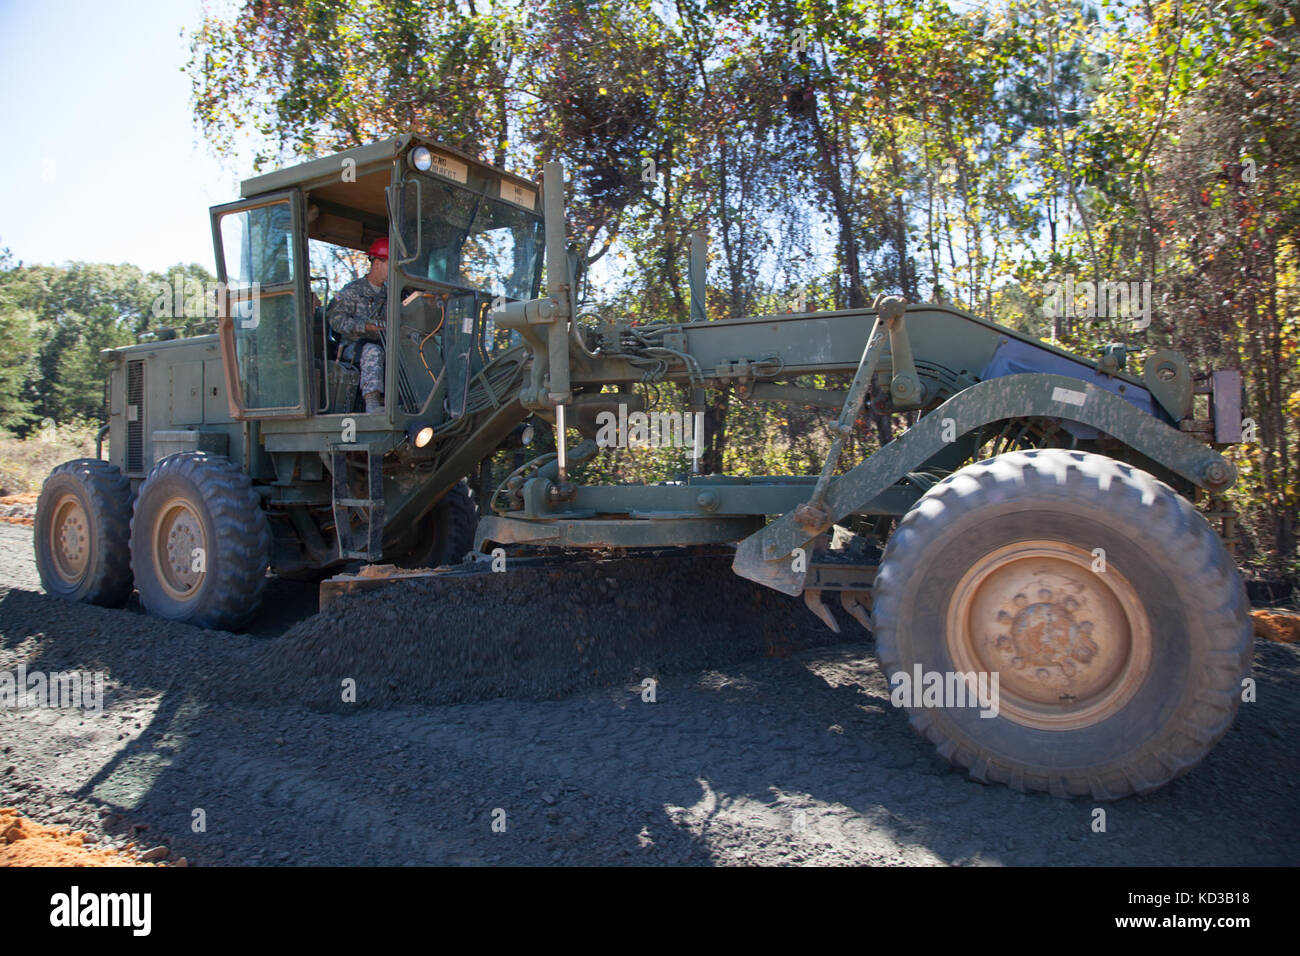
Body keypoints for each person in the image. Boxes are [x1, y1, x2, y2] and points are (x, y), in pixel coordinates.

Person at [327, 237, 389, 413]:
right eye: (390, 264)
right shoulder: (352, 291)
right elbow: (335, 319)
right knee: (373, 351)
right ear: (377, 263)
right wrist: (365, 327)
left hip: (383, 343)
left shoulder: (390, 293)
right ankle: (372, 402)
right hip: (352, 347)